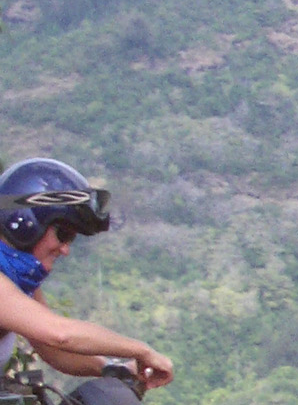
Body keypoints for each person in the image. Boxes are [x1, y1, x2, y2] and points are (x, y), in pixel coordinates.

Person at [0, 158, 173, 390]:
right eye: (63, 234)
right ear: (24, 222)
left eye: (70, 239)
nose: (65, 249)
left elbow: (54, 350)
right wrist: (141, 350)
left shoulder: (18, 281)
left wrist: (113, 369)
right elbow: (59, 334)